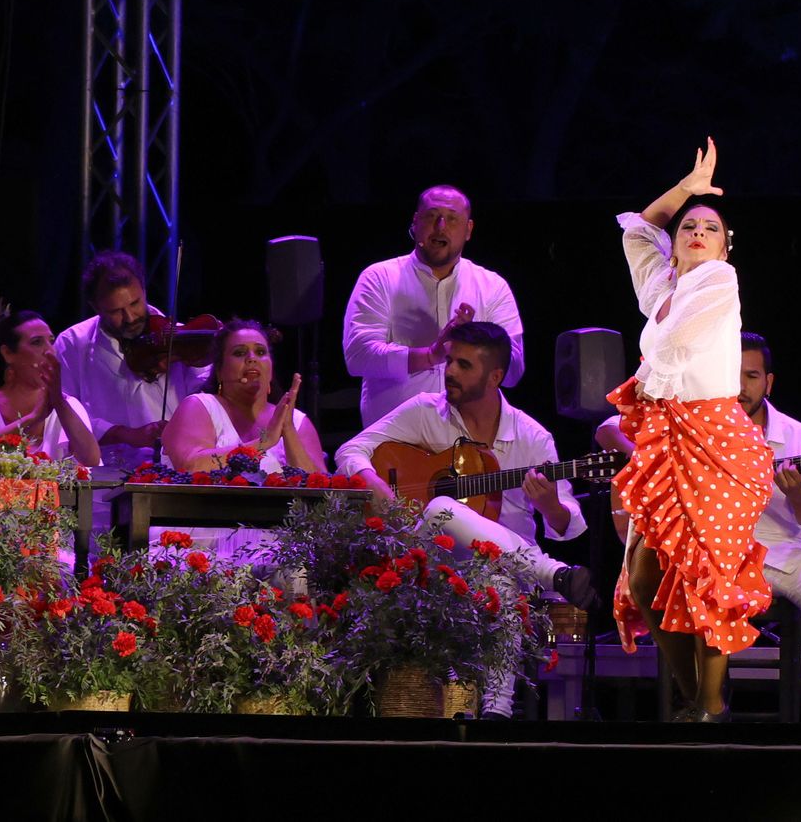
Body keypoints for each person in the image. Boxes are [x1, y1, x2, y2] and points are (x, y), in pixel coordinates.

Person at [335, 322, 594, 718]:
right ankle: (554, 574)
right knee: (441, 508)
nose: (450, 371)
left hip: (507, 571)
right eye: (450, 361)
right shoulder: (425, 411)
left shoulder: (532, 437)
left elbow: (566, 522)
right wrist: (376, 485)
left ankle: (496, 712)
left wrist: (548, 506)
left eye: (464, 365)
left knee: (498, 579)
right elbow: (350, 451)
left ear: (495, 377)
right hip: (436, 566)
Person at [599, 332, 801, 722]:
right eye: (732, 374)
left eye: (752, 376)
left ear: (768, 382)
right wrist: (645, 457)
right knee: (678, 575)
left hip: (780, 547)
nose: (740, 386)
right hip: (712, 546)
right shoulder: (697, 423)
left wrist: (798, 494)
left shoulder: (800, 437)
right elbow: (607, 426)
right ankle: (705, 695)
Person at [608, 138, 774, 723]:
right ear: (675, 244)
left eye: (710, 228)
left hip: (717, 443)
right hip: (670, 438)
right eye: (688, 228)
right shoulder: (664, 287)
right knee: (644, 576)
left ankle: (707, 706)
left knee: (708, 580)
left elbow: (672, 347)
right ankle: (696, 699)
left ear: (726, 246)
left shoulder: (718, 281)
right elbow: (637, 233)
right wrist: (687, 188)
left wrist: (646, 375)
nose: (698, 231)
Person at [343, 185, 525, 427]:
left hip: (470, 437)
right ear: (415, 222)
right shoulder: (379, 277)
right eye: (431, 216)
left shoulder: (492, 286)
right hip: (395, 437)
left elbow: (513, 372)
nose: (441, 226)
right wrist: (431, 355)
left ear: (468, 230)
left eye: (452, 219)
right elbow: (358, 356)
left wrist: (478, 342)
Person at [158, 318, 326, 554]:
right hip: (201, 544)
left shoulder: (297, 422)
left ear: (271, 369)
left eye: (260, 352)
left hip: (279, 547)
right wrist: (262, 444)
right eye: (239, 352)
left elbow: (321, 495)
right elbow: (191, 466)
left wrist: (288, 432)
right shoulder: (198, 406)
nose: (252, 358)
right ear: (219, 370)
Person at [54, 251, 209, 468]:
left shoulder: (183, 338)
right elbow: (63, 414)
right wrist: (125, 434)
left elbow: (209, 404)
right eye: (116, 311)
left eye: (135, 303)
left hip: (173, 468)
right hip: (105, 470)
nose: (130, 317)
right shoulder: (72, 343)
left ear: (144, 290)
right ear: (95, 306)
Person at [0, 309, 100, 465]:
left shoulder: (68, 405)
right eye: (37, 342)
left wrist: (59, 403)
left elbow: (91, 460)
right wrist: (32, 419)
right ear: (7, 353)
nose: (50, 350)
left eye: (51, 341)